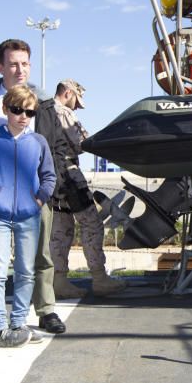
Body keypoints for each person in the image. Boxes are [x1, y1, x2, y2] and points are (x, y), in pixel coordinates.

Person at [0, 39, 68, 338]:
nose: (20, 69)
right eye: (13, 64)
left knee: (40, 257)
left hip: (33, 200)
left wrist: (43, 194)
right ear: (0, 67)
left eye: (25, 63)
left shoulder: (44, 102)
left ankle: (45, 309)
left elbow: (55, 148)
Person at [0, 85, 56, 346]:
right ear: (6, 109)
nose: (23, 116)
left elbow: (49, 176)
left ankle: (18, 324)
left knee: (26, 272)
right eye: (17, 110)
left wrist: (39, 199)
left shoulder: (39, 142)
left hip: (28, 216)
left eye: (28, 112)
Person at [49, 79, 125, 301]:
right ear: (68, 92)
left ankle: (59, 281)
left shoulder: (45, 112)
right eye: (76, 101)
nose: (76, 107)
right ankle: (100, 278)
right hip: (70, 174)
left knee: (61, 228)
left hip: (54, 174)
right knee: (92, 223)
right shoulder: (62, 112)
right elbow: (80, 142)